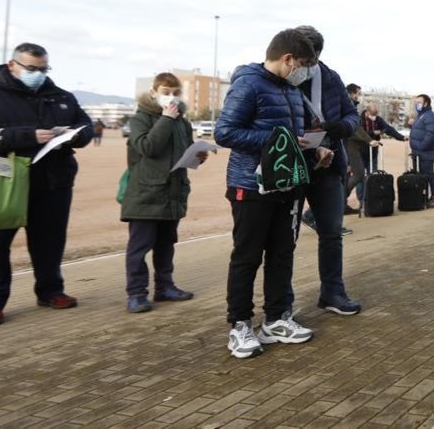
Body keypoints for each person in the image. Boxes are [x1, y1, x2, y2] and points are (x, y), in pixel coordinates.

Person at [0, 42, 94, 327]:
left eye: (43, 69)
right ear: (12, 65)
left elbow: (85, 126)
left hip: (52, 182)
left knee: (50, 243)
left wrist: (74, 136)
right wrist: (30, 136)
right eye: (32, 68)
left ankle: (51, 291)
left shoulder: (60, 96)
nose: (38, 74)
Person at [215, 28, 323, 359]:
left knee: (281, 254)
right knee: (247, 256)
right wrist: (278, 141)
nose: (305, 72)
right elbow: (225, 132)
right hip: (250, 185)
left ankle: (276, 318)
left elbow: (290, 133)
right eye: (304, 64)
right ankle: (240, 324)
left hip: (285, 184)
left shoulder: (291, 90)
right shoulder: (248, 84)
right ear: (287, 59)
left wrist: (311, 148)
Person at [291, 26, 363, 316]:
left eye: (311, 59)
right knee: (286, 237)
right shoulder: (280, 76)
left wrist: (336, 128)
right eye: (300, 58)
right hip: (292, 164)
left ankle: (332, 291)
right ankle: (281, 302)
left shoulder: (330, 78)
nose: (304, 66)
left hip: (329, 162)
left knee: (331, 232)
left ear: (318, 55)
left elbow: (351, 115)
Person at [121, 72, 200, 313]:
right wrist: (166, 119)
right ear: (154, 93)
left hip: (172, 193)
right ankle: (136, 293)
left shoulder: (182, 122)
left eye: (176, 93)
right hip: (145, 194)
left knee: (166, 244)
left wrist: (197, 155)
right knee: (139, 247)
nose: (171, 97)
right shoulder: (141, 119)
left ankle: (165, 286)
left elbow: (182, 155)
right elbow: (149, 147)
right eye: (166, 93)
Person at [343, 84, 376, 212]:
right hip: (350, 146)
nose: (359, 96)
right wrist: (369, 140)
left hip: (348, 145)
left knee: (345, 176)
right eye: (358, 93)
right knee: (359, 173)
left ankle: (342, 205)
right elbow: (355, 128)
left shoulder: (349, 104)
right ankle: (340, 198)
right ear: (352, 93)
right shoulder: (349, 105)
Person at [409, 93, 434, 206]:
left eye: (419, 102)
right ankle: (423, 197)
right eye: (416, 102)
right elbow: (420, 131)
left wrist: (422, 147)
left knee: (429, 175)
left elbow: (432, 135)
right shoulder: (421, 116)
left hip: (425, 153)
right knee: (422, 176)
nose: (416, 105)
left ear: (426, 103)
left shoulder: (430, 116)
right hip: (418, 153)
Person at [361, 104, 407, 173]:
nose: (374, 117)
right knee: (359, 174)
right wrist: (373, 133)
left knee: (372, 174)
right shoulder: (359, 120)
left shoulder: (378, 120)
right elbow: (360, 134)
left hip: (373, 151)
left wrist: (401, 137)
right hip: (360, 151)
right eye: (372, 115)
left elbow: (388, 129)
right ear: (367, 112)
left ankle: (371, 183)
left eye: (375, 115)